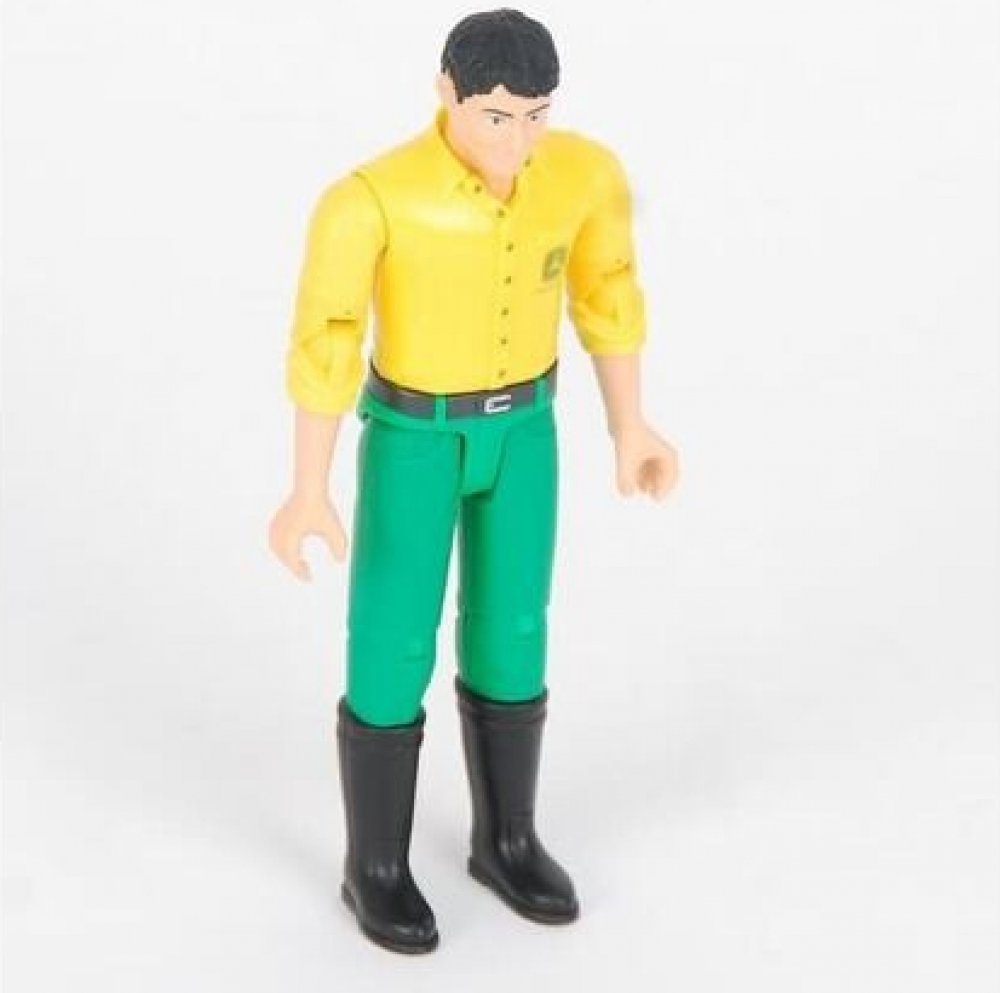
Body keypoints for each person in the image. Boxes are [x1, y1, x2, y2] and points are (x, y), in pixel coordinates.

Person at [268, 7, 679, 955]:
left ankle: (507, 837)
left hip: (526, 430)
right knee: (391, 634)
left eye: (536, 115)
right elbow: (327, 341)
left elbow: (608, 292)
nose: (517, 138)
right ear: (447, 94)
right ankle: (374, 863)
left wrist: (629, 424)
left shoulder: (582, 176)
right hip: (415, 436)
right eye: (496, 115)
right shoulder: (372, 199)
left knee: (514, 626)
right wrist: (307, 484)